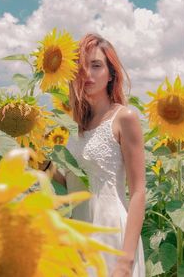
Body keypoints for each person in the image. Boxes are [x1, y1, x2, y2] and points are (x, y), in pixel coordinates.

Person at [54, 33, 146, 277]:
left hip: (111, 233)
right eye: (82, 68)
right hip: (78, 232)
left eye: (96, 66)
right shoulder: (75, 126)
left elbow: (138, 191)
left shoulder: (124, 117)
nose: (88, 75)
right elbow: (74, 181)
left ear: (111, 73)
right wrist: (43, 165)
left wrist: (125, 262)